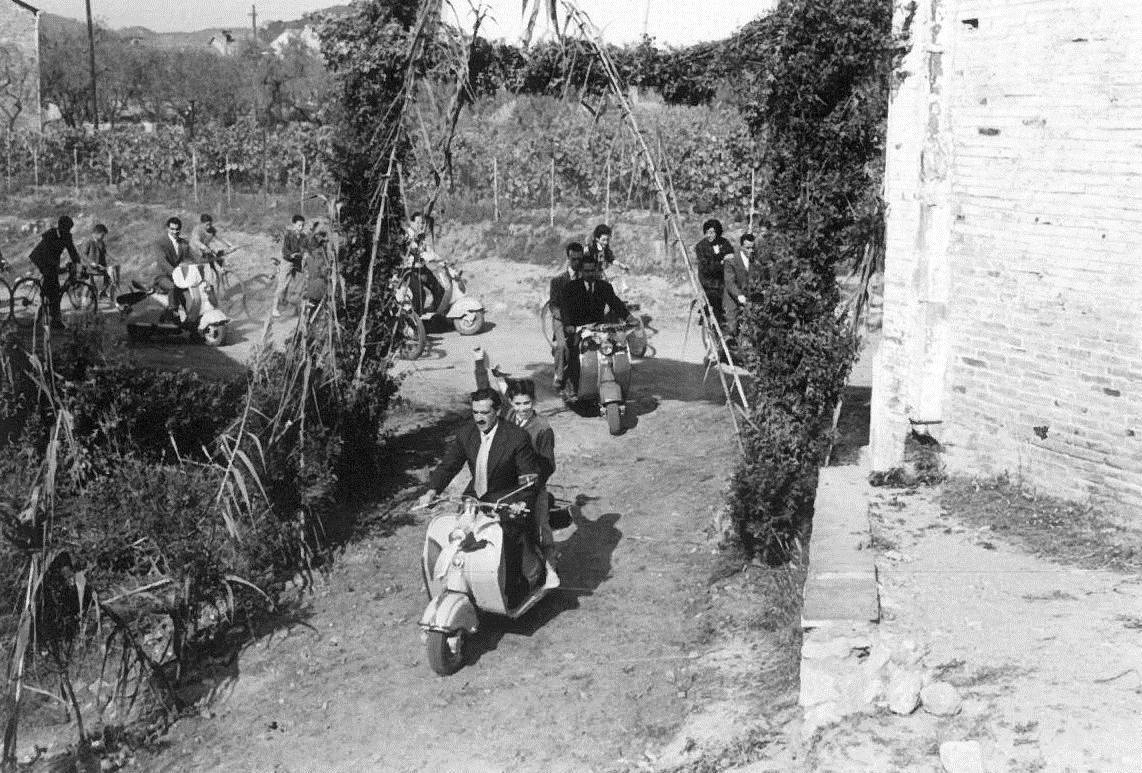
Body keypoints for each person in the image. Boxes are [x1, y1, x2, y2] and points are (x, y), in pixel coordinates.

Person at [417, 388, 543, 606]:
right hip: (476, 495)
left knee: (506, 537)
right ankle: (461, 581)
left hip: (507, 496)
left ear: (498, 411)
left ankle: (513, 587)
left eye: (484, 412)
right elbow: (449, 465)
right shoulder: (466, 434)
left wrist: (521, 502)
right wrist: (431, 491)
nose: (479, 418)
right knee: (458, 533)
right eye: (475, 412)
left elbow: (528, 478)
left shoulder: (516, 437)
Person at [560, 252, 638, 400]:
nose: (590, 274)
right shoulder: (571, 288)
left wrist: (629, 317)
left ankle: (615, 380)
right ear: (581, 271)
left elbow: (616, 303)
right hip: (578, 328)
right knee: (574, 351)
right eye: (587, 271)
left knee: (616, 348)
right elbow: (565, 309)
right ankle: (571, 384)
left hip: (599, 327)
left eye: (592, 270)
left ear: (597, 270)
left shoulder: (604, 287)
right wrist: (569, 325)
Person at [29, 215, 81, 329]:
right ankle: (50, 317)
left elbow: (72, 251)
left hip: (52, 261)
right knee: (53, 286)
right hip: (41, 259)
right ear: (60, 226)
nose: (67, 231)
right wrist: (56, 267)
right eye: (66, 228)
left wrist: (77, 262)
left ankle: (51, 314)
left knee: (53, 287)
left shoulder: (66, 236)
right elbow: (46, 253)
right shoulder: (50, 234)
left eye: (69, 229)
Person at [549, 242, 583, 390]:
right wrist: (565, 319)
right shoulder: (558, 281)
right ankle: (559, 374)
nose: (576, 262)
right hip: (561, 320)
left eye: (579, 259)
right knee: (563, 346)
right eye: (573, 259)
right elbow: (553, 305)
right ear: (568, 258)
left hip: (582, 321)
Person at [695, 218, 734, 324]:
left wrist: (724, 262)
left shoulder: (724, 243)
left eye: (712, 232)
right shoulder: (701, 246)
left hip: (723, 278)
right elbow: (706, 267)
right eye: (707, 232)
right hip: (709, 281)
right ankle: (718, 324)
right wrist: (721, 263)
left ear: (718, 232)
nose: (709, 235)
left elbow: (730, 257)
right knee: (716, 297)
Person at [154, 216, 191, 314]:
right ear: (167, 228)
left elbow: (191, 258)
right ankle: (172, 312)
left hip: (180, 277)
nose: (175, 232)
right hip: (164, 276)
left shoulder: (184, 243)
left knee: (192, 292)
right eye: (172, 229)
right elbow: (162, 261)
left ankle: (192, 317)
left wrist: (207, 260)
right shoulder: (160, 242)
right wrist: (174, 272)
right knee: (172, 287)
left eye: (177, 229)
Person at [274, 214, 308, 317]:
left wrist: (305, 254)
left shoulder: (304, 237)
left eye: (302, 226)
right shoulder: (288, 235)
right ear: (293, 225)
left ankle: (295, 308)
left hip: (298, 262)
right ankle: (274, 308)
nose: (301, 228)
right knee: (282, 285)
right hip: (287, 261)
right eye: (299, 226)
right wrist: (291, 255)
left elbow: (306, 248)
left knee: (299, 284)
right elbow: (284, 250)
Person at [723, 232, 754, 340]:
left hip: (748, 297)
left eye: (752, 248)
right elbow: (730, 282)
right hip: (733, 297)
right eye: (748, 248)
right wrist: (739, 295)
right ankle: (722, 350)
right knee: (732, 328)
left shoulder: (755, 260)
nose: (751, 251)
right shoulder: (731, 261)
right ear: (741, 247)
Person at [81, 223, 113, 298]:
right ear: (96, 233)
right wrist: (91, 262)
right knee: (90, 286)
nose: (103, 237)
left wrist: (113, 258)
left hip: (99, 266)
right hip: (90, 268)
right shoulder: (88, 241)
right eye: (102, 235)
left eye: (104, 235)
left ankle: (103, 292)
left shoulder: (101, 242)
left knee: (111, 277)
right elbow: (83, 255)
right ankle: (86, 301)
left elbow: (105, 252)